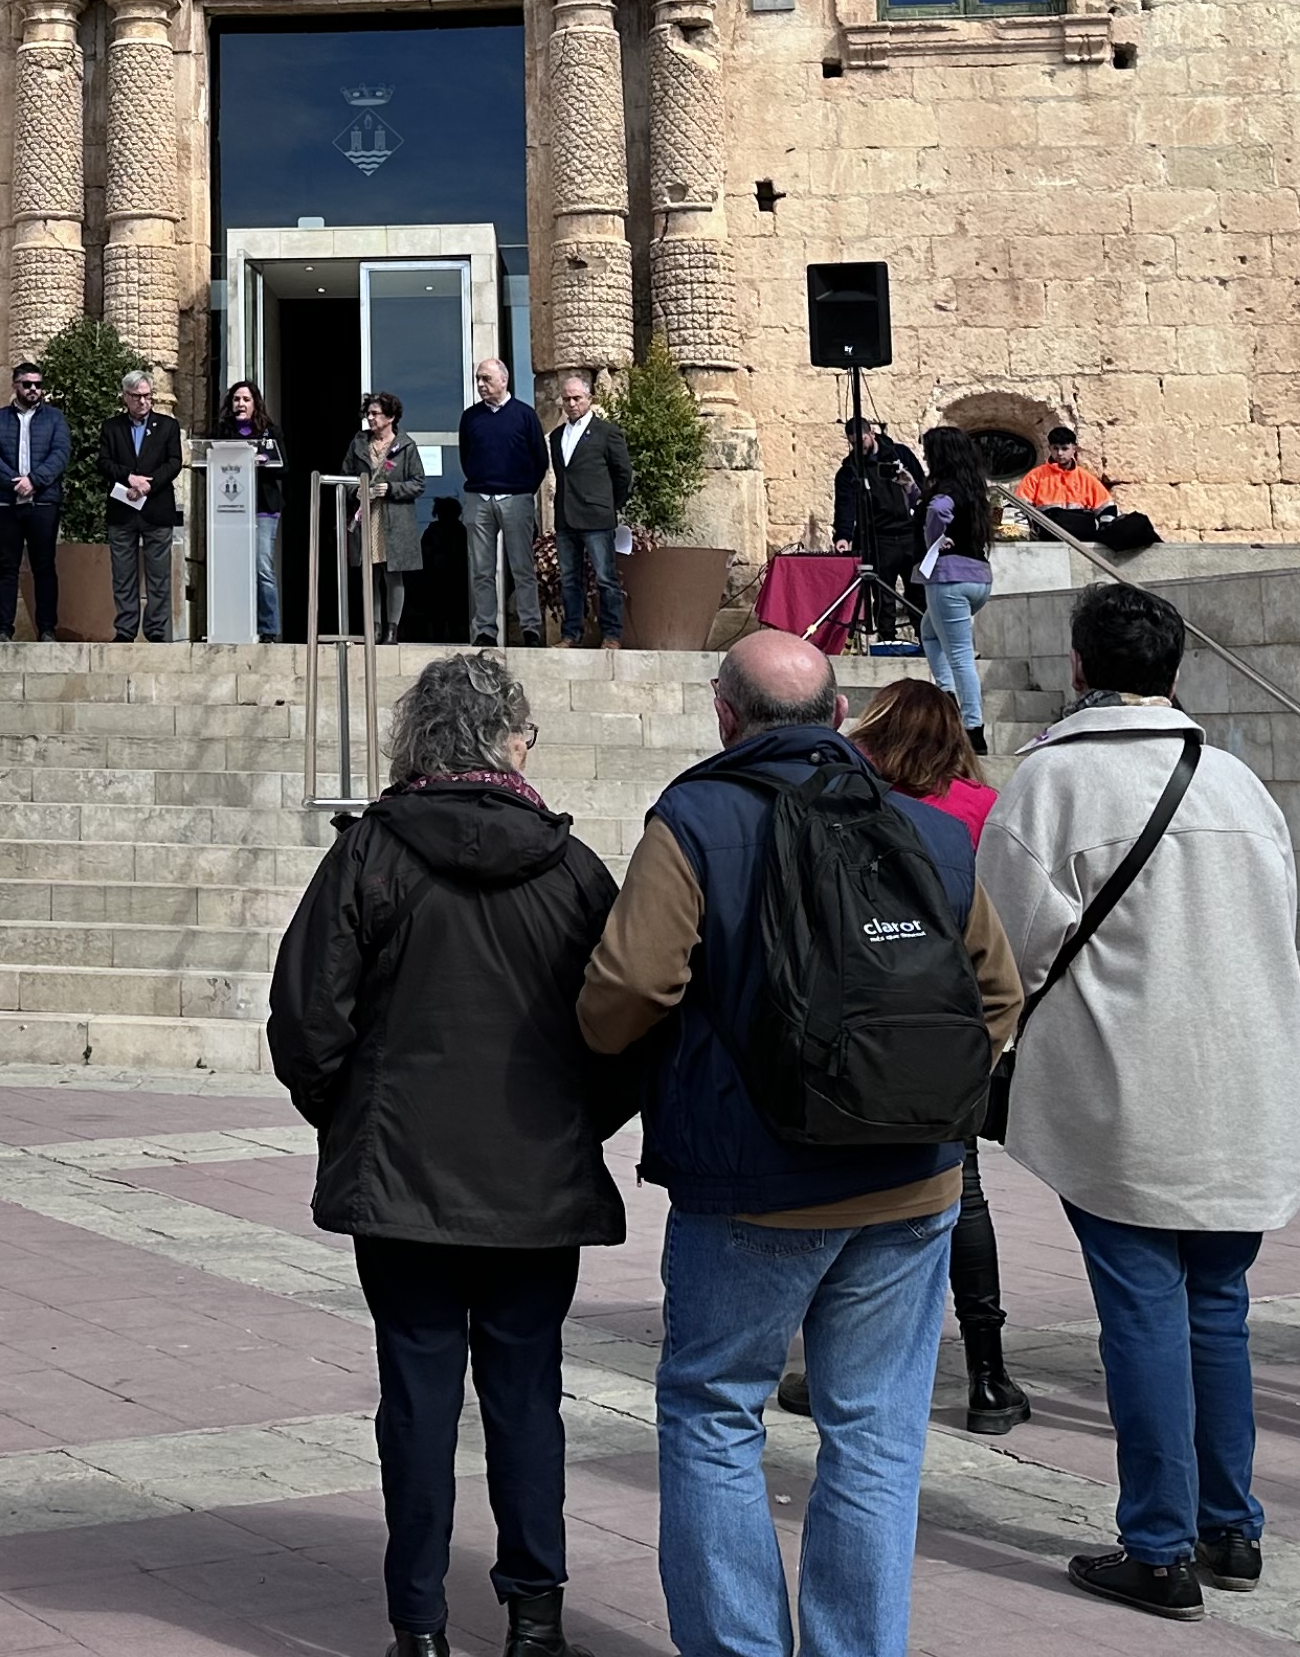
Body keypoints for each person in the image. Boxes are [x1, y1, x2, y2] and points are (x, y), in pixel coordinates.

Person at [576, 632, 1020, 1657]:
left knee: (714, 1410)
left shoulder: (694, 818)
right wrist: (914, 1092)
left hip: (754, 1180)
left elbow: (631, 988)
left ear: (724, 715)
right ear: (837, 711)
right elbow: (997, 990)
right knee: (875, 1435)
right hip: (913, 1182)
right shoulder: (926, 828)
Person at [270, 654, 629, 1657]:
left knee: (417, 1398)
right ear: (508, 740)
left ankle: (418, 1625)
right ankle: (535, 1616)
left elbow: (306, 1020)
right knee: (526, 1395)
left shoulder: (370, 854)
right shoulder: (570, 870)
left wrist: (352, 1119)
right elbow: (626, 1025)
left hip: (404, 1179)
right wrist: (577, 1124)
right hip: (532, 1176)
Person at [978, 585, 1300, 1621]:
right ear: (1178, 671)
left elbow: (1003, 948)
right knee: (1218, 1310)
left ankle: (1160, 1543)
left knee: (1140, 1313)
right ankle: (1231, 1525)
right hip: (1241, 1081)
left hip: (1127, 1085)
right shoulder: (1238, 782)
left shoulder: (1049, 786)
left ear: (1080, 668)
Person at [846, 677, 1025, 1435]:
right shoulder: (983, 812)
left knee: (852, 1201)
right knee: (966, 1198)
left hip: (864, 1025)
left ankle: (846, 1368)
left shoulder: (857, 809)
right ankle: (988, 1375)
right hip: (952, 1029)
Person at [0, 359, 73, 641]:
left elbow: (60, 454)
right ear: (15, 386)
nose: (34, 390)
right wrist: (14, 482)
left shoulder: (55, 419)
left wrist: (34, 481)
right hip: (6, 504)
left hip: (43, 503)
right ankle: (3, 629)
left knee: (44, 566)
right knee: (6, 567)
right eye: (27, 384)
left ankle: (46, 629)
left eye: (38, 385)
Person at [915, 425, 996, 754]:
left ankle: (973, 727)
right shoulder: (974, 487)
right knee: (929, 632)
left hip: (949, 578)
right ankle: (946, 693)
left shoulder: (946, 489)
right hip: (978, 578)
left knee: (960, 654)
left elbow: (936, 511)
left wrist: (934, 540)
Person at [457, 359, 548, 646]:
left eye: (486, 379)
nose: (481, 385)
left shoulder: (525, 415)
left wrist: (522, 491)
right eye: (478, 379)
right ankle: (485, 630)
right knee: (482, 570)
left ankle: (530, 627)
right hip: (479, 499)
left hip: (516, 499)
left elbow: (539, 460)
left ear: (504, 380)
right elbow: (466, 456)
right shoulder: (470, 417)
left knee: (522, 567)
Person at [543, 372, 633, 650]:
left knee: (605, 578)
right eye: (566, 399)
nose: (571, 404)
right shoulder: (557, 435)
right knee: (570, 579)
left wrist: (609, 504)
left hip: (596, 517)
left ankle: (611, 635)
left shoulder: (606, 431)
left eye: (577, 398)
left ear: (589, 399)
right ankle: (571, 634)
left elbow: (623, 473)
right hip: (567, 518)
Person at [96, 369, 184, 643]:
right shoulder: (112, 427)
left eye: (147, 396)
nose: (143, 402)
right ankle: (125, 629)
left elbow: (174, 462)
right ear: (126, 397)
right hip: (123, 509)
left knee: (159, 575)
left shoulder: (167, 426)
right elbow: (103, 462)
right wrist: (128, 477)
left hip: (156, 508)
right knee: (123, 574)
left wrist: (149, 483)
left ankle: (156, 630)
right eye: (137, 397)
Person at [344, 391, 430, 641]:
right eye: (368, 414)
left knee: (393, 574)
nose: (370, 418)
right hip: (366, 516)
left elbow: (418, 483)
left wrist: (392, 489)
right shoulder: (359, 443)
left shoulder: (406, 446)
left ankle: (392, 629)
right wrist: (356, 491)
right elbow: (345, 476)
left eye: (375, 414)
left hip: (395, 518)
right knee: (369, 574)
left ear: (391, 417)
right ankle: (375, 628)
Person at [831, 421, 923, 646]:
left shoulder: (899, 454)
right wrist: (843, 536)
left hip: (910, 534)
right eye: (852, 444)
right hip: (878, 539)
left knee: (918, 593)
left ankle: (926, 638)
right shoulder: (849, 470)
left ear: (872, 433)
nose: (858, 447)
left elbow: (921, 483)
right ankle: (887, 641)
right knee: (883, 597)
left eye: (861, 441)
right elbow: (845, 505)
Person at [1015, 427, 1160, 556]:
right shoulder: (1036, 476)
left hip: (1082, 536)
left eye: (1064, 448)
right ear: (1050, 449)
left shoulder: (1086, 478)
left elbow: (1106, 507)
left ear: (1074, 449)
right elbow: (1018, 506)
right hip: (1049, 535)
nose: (1059, 453)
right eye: (1055, 448)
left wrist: (1105, 531)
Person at [217, 378, 285, 639]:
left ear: (255, 403)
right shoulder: (223, 431)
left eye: (246, 399)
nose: (241, 404)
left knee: (261, 567)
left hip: (263, 508)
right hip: (229, 509)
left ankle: (268, 629)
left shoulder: (270, 431)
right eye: (236, 399)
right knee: (232, 568)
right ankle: (234, 625)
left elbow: (285, 468)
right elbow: (209, 463)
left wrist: (264, 461)